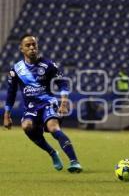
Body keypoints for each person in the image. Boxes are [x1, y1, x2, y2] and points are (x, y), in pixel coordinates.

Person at [3, 34, 82, 173]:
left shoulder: (48, 65)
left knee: (53, 128)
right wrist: (7, 114)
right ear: (21, 49)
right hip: (31, 107)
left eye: (34, 44)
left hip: (48, 103)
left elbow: (62, 83)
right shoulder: (16, 70)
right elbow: (11, 93)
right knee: (26, 126)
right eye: (28, 45)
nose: (32, 47)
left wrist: (64, 102)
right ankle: (52, 153)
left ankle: (74, 161)